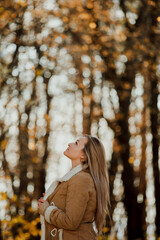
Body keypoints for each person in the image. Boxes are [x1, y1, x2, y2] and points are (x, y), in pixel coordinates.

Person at [38, 134, 110, 240]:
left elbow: (70, 222)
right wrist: (49, 200)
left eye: (76, 143)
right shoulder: (74, 178)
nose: (69, 144)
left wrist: (46, 209)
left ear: (84, 155)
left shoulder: (81, 179)